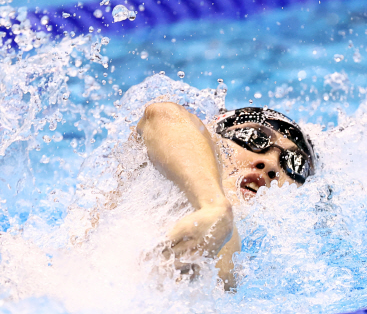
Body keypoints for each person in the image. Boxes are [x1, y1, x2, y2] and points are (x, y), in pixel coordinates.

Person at [135, 102, 316, 290]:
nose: (270, 164)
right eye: (254, 138)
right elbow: (163, 115)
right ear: (211, 136)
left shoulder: (277, 278)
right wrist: (214, 207)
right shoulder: (150, 184)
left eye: (295, 164)